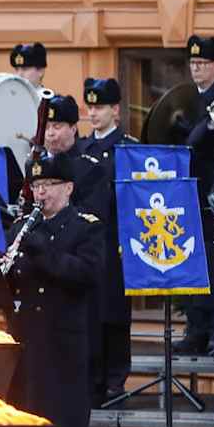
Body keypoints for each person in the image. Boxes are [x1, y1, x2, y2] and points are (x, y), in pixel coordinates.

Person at [4, 157, 104, 427]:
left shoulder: (85, 227)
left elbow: (85, 273)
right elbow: (11, 283)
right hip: (28, 344)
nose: (41, 193)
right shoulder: (22, 226)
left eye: (48, 185)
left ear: (68, 188)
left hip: (65, 345)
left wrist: (42, 250)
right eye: (36, 186)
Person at [172, 35, 214, 355]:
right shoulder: (188, 98)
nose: (196, 68)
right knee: (194, 262)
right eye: (193, 63)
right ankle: (196, 327)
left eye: (202, 63)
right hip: (191, 190)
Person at [80, 77, 136, 401]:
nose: (93, 113)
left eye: (99, 107)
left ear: (115, 110)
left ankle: (116, 378)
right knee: (91, 313)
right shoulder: (82, 149)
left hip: (116, 240)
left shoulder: (127, 149)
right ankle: (94, 378)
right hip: (88, 242)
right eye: (90, 107)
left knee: (115, 313)